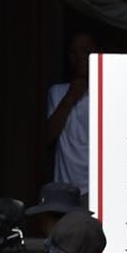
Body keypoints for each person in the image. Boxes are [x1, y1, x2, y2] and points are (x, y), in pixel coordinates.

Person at [42, 31, 96, 195]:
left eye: (85, 51)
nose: (79, 57)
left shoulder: (110, 91)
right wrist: (69, 99)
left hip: (98, 189)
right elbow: (47, 136)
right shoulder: (58, 92)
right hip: (65, 190)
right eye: (74, 52)